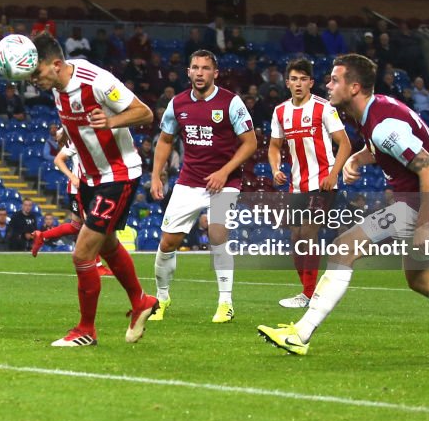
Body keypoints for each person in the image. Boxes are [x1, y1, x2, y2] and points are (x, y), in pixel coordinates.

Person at [258, 53, 429, 355]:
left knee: (343, 248)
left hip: (420, 202)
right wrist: (358, 157)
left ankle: (300, 334)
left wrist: (421, 226)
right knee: (421, 280)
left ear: (354, 87)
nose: (327, 85)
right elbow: (387, 148)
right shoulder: (374, 113)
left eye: (335, 80)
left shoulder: (382, 125)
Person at [29, 32, 158, 346]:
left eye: (38, 72)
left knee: (83, 253)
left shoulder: (96, 80)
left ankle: (86, 330)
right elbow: (77, 121)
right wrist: (64, 134)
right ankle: (141, 300)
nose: (34, 79)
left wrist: (111, 122)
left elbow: (145, 112)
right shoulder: (58, 88)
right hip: (89, 177)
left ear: (56, 64)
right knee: (107, 245)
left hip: (118, 175)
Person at [149, 49, 257, 323]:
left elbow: (250, 142)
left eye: (205, 68)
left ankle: (225, 302)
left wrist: (224, 171)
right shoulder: (178, 103)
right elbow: (165, 140)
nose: (199, 73)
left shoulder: (231, 103)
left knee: (218, 233)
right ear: (188, 72)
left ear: (215, 73)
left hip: (225, 182)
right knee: (167, 242)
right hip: (189, 182)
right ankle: (161, 298)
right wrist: (155, 175)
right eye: (195, 67)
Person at [268, 58, 352, 308]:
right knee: (296, 236)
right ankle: (307, 291)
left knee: (307, 231)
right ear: (287, 82)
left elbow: (345, 143)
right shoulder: (280, 111)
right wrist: (275, 169)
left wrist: (334, 174)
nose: (298, 84)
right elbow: (274, 146)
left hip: (322, 183)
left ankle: (309, 294)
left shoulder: (324, 108)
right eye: (294, 79)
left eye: (303, 79)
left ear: (311, 83)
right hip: (296, 185)